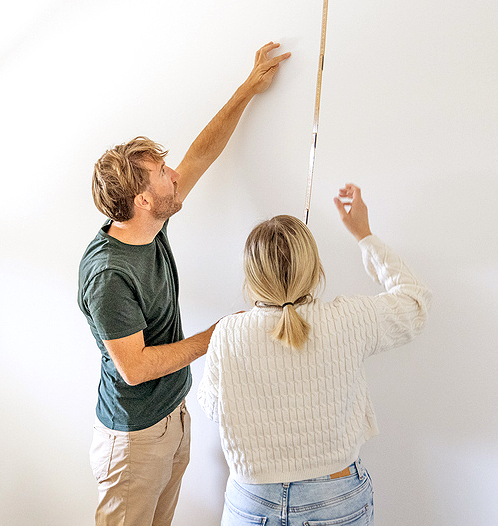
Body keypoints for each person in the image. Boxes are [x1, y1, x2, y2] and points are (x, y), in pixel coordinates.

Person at [77, 42, 291, 526]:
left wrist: (249, 88)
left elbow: (201, 154)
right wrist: (213, 337)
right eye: (162, 174)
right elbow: (133, 369)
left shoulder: (151, 224)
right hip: (133, 440)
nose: (176, 176)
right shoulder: (110, 275)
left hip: (171, 416)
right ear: (142, 199)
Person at [197, 184, 431, 526]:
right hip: (335, 496)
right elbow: (415, 302)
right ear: (315, 268)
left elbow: (214, 407)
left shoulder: (227, 333)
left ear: (251, 277)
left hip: (251, 501)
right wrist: (364, 235)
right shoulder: (349, 318)